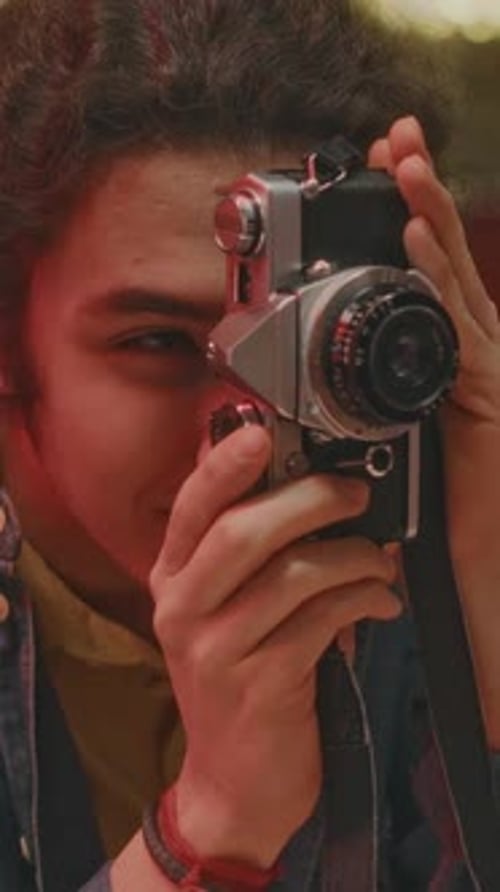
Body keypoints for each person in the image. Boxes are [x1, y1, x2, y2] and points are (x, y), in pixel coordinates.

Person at [0, 1, 499, 890]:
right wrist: (211, 831)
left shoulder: (408, 559)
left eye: (301, 344)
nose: (251, 427)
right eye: (158, 342)